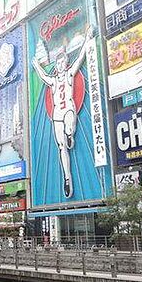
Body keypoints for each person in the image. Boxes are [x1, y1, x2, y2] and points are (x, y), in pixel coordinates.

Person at [32, 26, 91, 198]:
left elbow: (80, 57)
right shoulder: (53, 80)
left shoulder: (70, 74)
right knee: (61, 146)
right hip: (57, 113)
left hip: (69, 109)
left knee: (70, 126)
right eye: (58, 63)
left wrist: (87, 37)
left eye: (62, 62)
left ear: (65, 63)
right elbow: (43, 76)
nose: (60, 65)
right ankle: (67, 178)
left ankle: (70, 134)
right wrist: (36, 65)